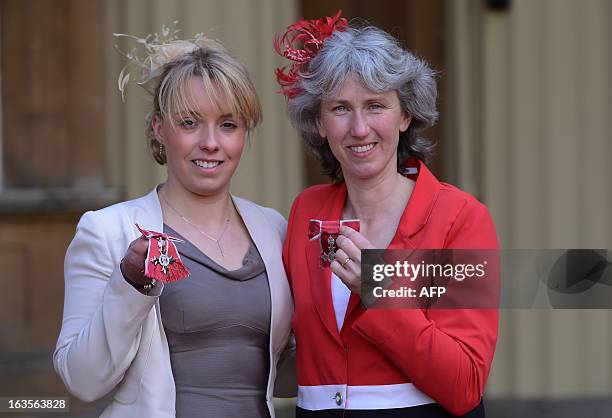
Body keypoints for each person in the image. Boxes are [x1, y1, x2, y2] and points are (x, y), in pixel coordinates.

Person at [54, 29, 295, 418]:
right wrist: (131, 285)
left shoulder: (274, 228)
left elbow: (281, 372)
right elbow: (83, 381)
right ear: (158, 128)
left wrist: (361, 298)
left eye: (228, 125)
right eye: (189, 123)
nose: (211, 142)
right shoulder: (107, 230)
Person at [276, 12, 498, 418]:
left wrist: (377, 287)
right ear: (319, 123)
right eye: (341, 108)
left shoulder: (460, 218)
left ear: (405, 115)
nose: (359, 128)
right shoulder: (305, 211)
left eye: (375, 105)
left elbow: (465, 384)